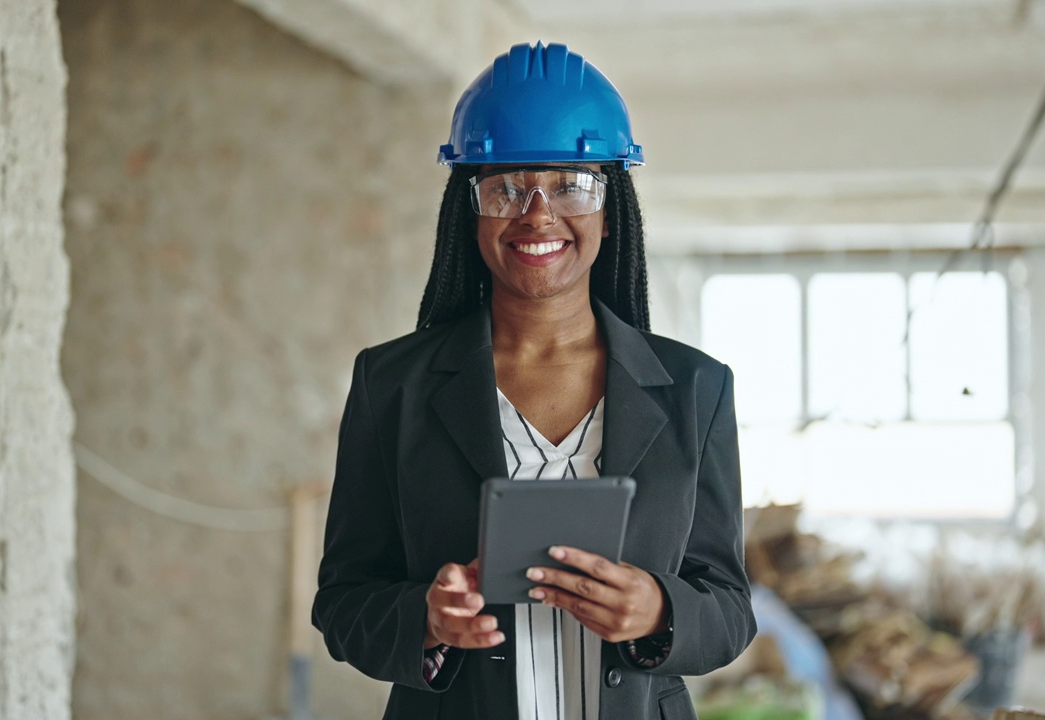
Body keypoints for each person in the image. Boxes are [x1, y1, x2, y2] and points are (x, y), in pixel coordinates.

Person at [312, 42, 755, 720]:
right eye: (506, 188)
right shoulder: (391, 385)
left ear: (612, 210)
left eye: (571, 185)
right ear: (472, 208)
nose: (538, 214)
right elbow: (343, 604)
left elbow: (728, 608)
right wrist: (426, 621)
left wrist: (660, 612)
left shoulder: (697, 389)